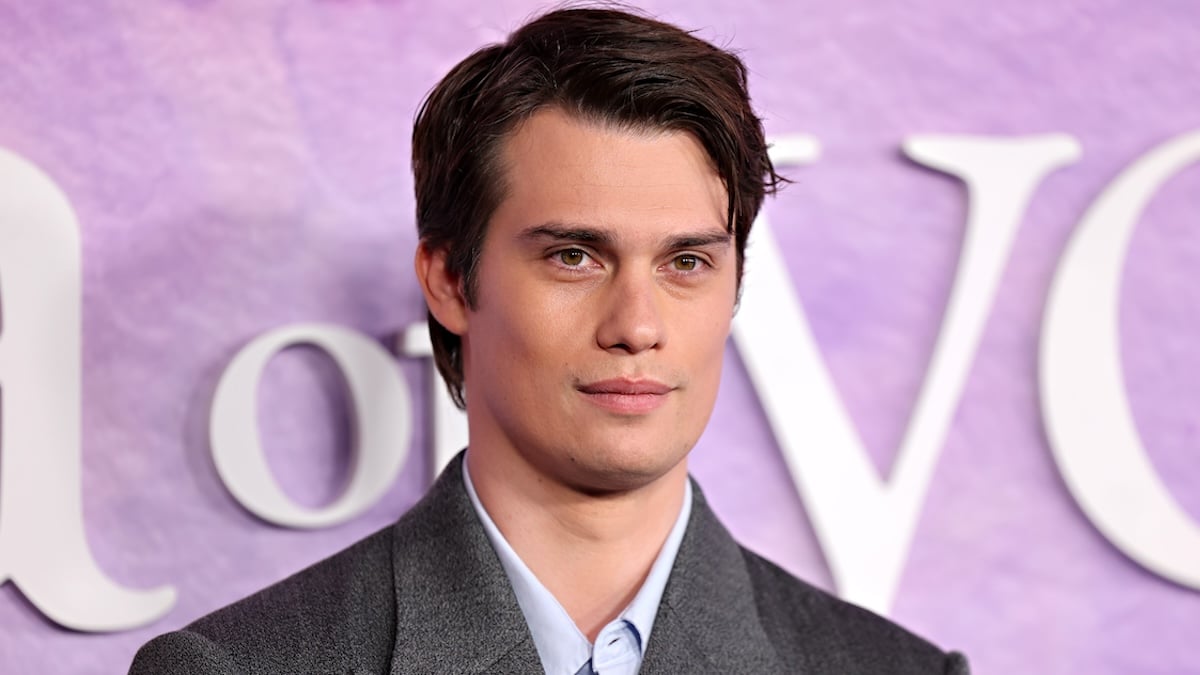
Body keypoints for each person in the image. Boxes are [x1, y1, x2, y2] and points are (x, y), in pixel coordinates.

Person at [131, 6, 969, 674]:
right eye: (574, 256)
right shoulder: (238, 667)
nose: (637, 325)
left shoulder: (895, 668)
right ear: (451, 281)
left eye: (686, 261)